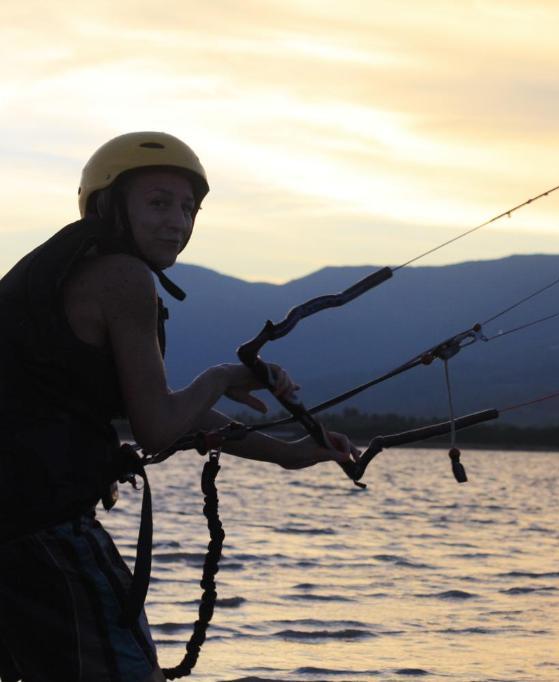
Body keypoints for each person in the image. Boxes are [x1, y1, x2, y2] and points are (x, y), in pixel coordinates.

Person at [0, 132, 357, 681]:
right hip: (41, 534)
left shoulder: (59, 274)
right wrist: (216, 378)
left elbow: (163, 410)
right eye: (159, 202)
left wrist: (285, 452)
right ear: (108, 205)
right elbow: (158, 428)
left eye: (188, 208)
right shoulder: (124, 278)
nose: (178, 222)